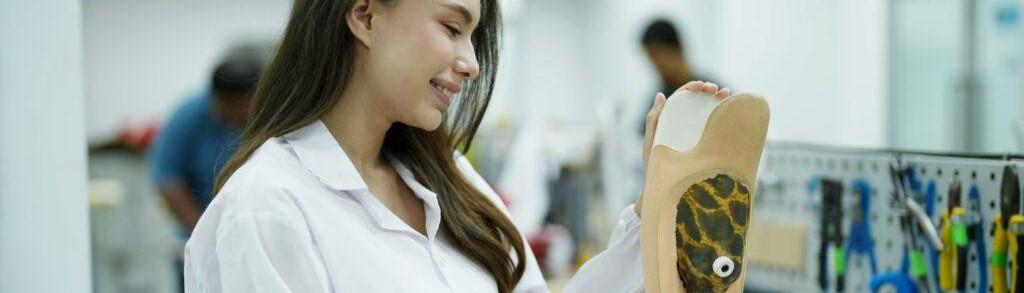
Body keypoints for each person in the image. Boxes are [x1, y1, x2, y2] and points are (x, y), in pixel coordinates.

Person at [183, 0, 729, 292]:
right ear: (365, 15)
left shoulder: (451, 181)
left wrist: (656, 201)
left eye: (474, 37)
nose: (470, 62)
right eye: (451, 27)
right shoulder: (267, 211)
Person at [150, 54, 261, 233]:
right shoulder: (186, 117)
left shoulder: (265, 117)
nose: (244, 114)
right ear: (220, 99)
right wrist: (206, 234)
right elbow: (168, 181)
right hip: (199, 230)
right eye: (238, 107)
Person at [639, 19, 722, 134]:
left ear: (677, 49)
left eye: (658, 54)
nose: (656, 65)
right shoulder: (658, 100)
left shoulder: (714, 92)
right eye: (651, 60)